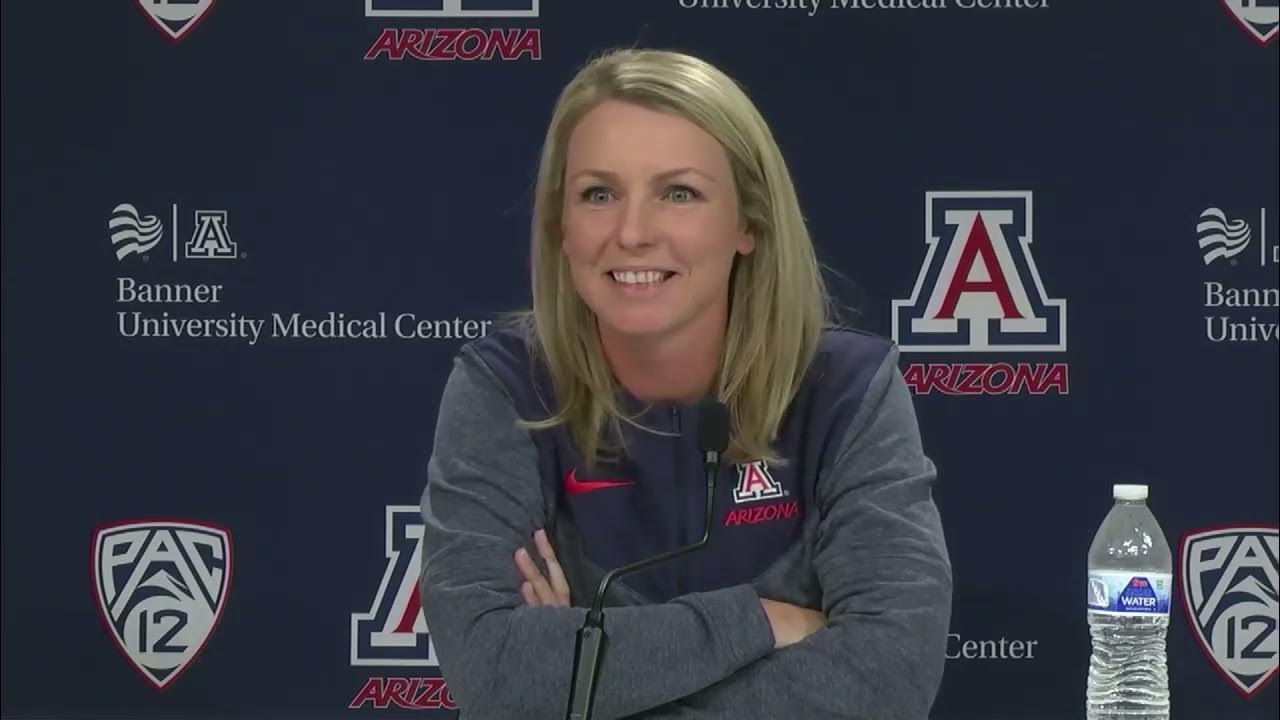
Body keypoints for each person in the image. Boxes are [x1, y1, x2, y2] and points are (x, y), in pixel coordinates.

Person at [417, 47, 952, 720]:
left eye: (678, 193)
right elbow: (495, 675)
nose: (634, 232)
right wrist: (759, 621)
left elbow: (887, 682)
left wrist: (580, 677)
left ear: (747, 223)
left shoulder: (845, 392)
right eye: (599, 194)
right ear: (560, 226)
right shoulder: (506, 389)